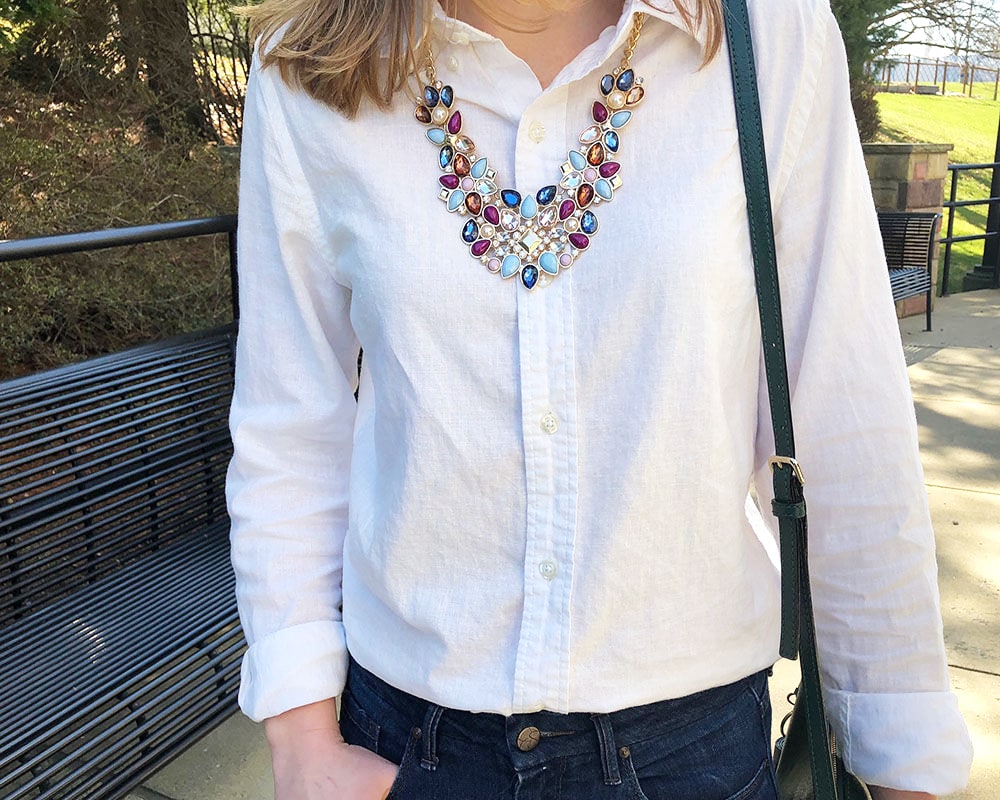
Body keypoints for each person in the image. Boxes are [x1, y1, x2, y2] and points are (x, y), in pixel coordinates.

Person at [226, 0, 974, 798]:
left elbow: (845, 407)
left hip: (695, 751)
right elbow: (291, 415)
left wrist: (905, 763)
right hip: (405, 747)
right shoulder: (305, 62)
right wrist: (300, 732)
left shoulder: (770, 35)